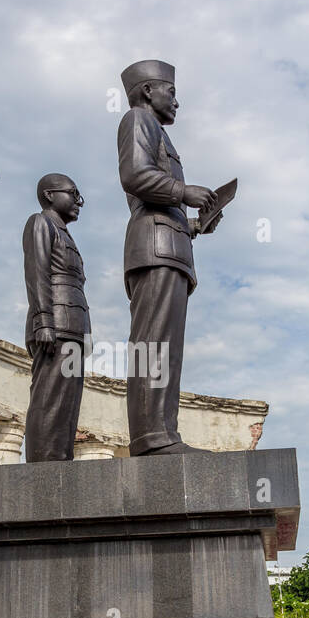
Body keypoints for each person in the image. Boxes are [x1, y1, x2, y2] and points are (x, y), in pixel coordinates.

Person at [118, 59, 222, 454]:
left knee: (168, 350)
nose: (176, 101)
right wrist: (184, 192)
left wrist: (197, 224)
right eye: (171, 91)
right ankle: (151, 439)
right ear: (148, 91)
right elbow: (134, 175)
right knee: (153, 344)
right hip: (154, 246)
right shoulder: (137, 121)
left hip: (172, 245)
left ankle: (165, 434)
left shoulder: (158, 130)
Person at [22, 173, 90, 461]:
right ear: (50, 195)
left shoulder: (64, 232)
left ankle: (61, 459)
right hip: (55, 326)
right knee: (49, 397)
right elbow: (37, 273)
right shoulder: (40, 222)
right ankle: (44, 464)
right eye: (73, 193)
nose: (79, 201)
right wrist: (43, 321)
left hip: (73, 327)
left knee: (68, 402)